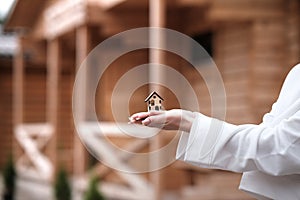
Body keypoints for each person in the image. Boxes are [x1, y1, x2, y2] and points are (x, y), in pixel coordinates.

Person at [129, 63, 300, 200]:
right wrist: (187, 121)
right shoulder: (296, 74)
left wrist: (189, 121)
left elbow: (280, 148)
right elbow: (267, 133)